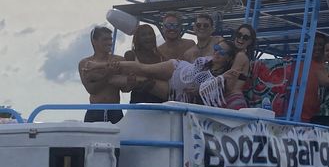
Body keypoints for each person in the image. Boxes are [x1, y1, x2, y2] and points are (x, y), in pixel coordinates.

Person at [82, 39, 241, 109]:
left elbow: (211, 96)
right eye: (216, 49)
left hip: (177, 93)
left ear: (228, 58)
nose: (217, 53)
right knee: (143, 68)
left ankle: (104, 78)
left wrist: (200, 91)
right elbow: (194, 69)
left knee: (141, 81)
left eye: (222, 52)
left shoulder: (224, 78)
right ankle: (98, 66)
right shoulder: (206, 60)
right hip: (176, 70)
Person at [78, 26, 135, 123]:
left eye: (110, 39)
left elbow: (126, 89)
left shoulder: (119, 60)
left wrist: (130, 82)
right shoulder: (85, 63)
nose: (109, 42)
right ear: (94, 41)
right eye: (105, 39)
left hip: (115, 110)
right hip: (95, 111)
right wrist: (108, 75)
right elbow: (91, 89)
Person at [124, 24, 164, 104]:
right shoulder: (131, 55)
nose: (148, 37)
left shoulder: (161, 57)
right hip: (139, 102)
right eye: (143, 35)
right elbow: (126, 88)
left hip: (159, 103)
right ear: (137, 39)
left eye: (150, 34)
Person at [224, 24, 257, 110]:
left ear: (250, 42)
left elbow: (229, 85)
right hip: (234, 100)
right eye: (239, 35)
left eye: (245, 37)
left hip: (232, 100)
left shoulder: (241, 56)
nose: (241, 38)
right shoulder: (241, 56)